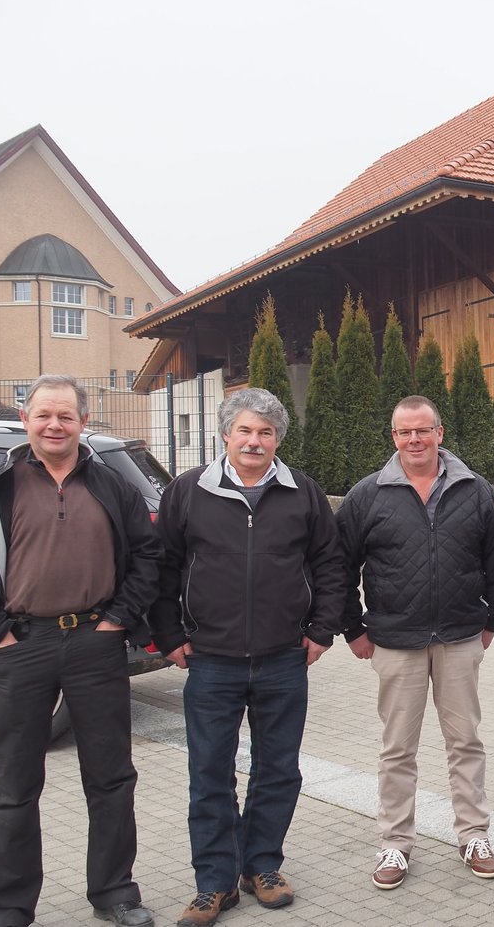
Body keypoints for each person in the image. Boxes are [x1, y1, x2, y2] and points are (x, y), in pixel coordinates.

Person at [150, 388, 346, 927]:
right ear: (225, 435)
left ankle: (262, 866)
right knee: (210, 772)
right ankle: (214, 882)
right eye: (245, 430)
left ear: (278, 438)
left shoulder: (302, 492)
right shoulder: (188, 492)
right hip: (211, 660)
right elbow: (162, 568)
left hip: (285, 658)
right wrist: (168, 634)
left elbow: (331, 565)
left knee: (278, 770)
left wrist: (323, 630)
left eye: (265, 432)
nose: (254, 441)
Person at [0, 375, 160, 927]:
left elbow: (149, 556)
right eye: (44, 415)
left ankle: (114, 893)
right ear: (26, 418)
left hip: (94, 644)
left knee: (110, 777)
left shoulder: (112, 485)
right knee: (13, 784)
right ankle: (8, 907)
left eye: (66, 416)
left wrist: (119, 620)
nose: (55, 425)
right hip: (22, 646)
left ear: (83, 421)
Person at [336, 396, 494, 890]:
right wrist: (353, 628)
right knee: (397, 749)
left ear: (440, 433)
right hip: (395, 641)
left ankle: (474, 835)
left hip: (460, 638)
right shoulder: (367, 496)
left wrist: (492, 622)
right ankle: (395, 843)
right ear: (393, 437)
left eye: (423, 430)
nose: (414, 440)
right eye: (404, 432)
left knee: (466, 742)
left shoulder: (475, 491)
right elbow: (338, 567)